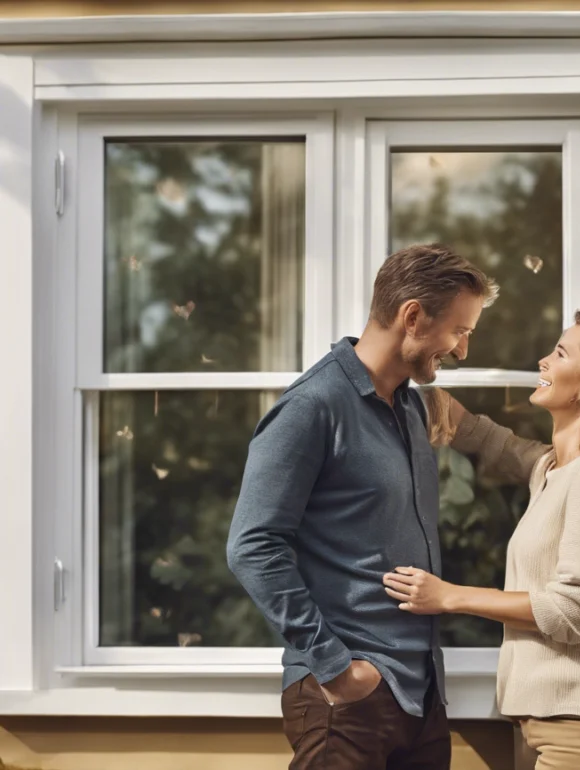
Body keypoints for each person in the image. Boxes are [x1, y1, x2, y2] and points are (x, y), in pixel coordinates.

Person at [227, 243, 498, 770]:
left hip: (419, 698)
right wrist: (335, 668)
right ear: (413, 316)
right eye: (459, 330)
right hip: (347, 702)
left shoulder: (410, 407)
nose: (463, 349)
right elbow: (252, 546)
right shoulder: (312, 406)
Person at [384, 310, 580, 770]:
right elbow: (488, 439)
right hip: (543, 721)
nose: (542, 361)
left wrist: (449, 597)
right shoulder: (553, 471)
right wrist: (407, 387)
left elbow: (573, 613)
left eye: (559, 353)